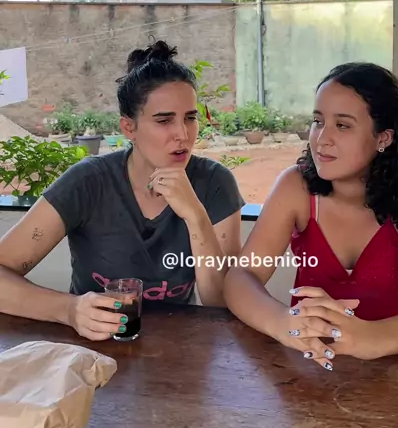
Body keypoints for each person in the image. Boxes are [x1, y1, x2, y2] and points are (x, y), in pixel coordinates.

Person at [223, 62, 398, 371]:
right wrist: (281, 322)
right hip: (309, 371)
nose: (322, 139)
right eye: (318, 121)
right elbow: (242, 276)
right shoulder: (296, 186)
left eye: (342, 125)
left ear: (383, 138)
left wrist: (372, 337)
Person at [0, 40, 244, 340]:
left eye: (190, 118)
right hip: (95, 347)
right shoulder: (89, 182)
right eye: (164, 120)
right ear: (129, 128)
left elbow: (221, 304)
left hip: (180, 350)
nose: (182, 134)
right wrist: (68, 310)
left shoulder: (214, 182)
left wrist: (196, 216)